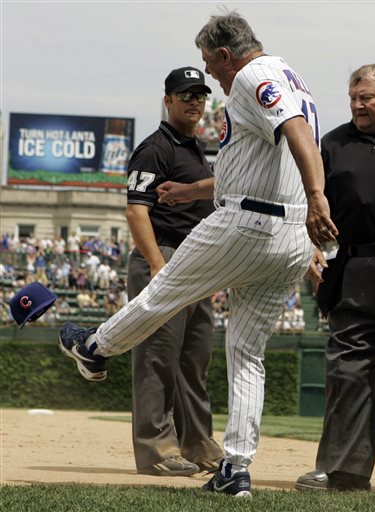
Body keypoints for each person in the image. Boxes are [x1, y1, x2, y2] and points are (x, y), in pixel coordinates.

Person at [58, 12, 337, 498]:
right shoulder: (294, 76)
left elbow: (295, 132)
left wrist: (318, 197)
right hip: (288, 235)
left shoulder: (252, 75)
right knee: (247, 352)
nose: (209, 73)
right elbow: (265, 157)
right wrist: (192, 192)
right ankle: (235, 470)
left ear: (226, 54)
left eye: (210, 62)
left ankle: (94, 347)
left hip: (248, 225)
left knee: (163, 292)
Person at [296, 64, 375, 492]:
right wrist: (308, 250)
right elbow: (305, 204)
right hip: (355, 266)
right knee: (348, 370)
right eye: (353, 98)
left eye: (366, 97)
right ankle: (343, 473)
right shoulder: (333, 144)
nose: (357, 105)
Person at [125, 66, 223, 477]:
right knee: (156, 360)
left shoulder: (195, 148)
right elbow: (136, 208)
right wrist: (156, 264)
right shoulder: (155, 147)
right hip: (164, 257)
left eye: (199, 95)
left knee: (193, 364)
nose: (194, 102)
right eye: (185, 95)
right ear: (167, 100)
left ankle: (199, 446)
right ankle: (156, 450)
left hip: (194, 264)